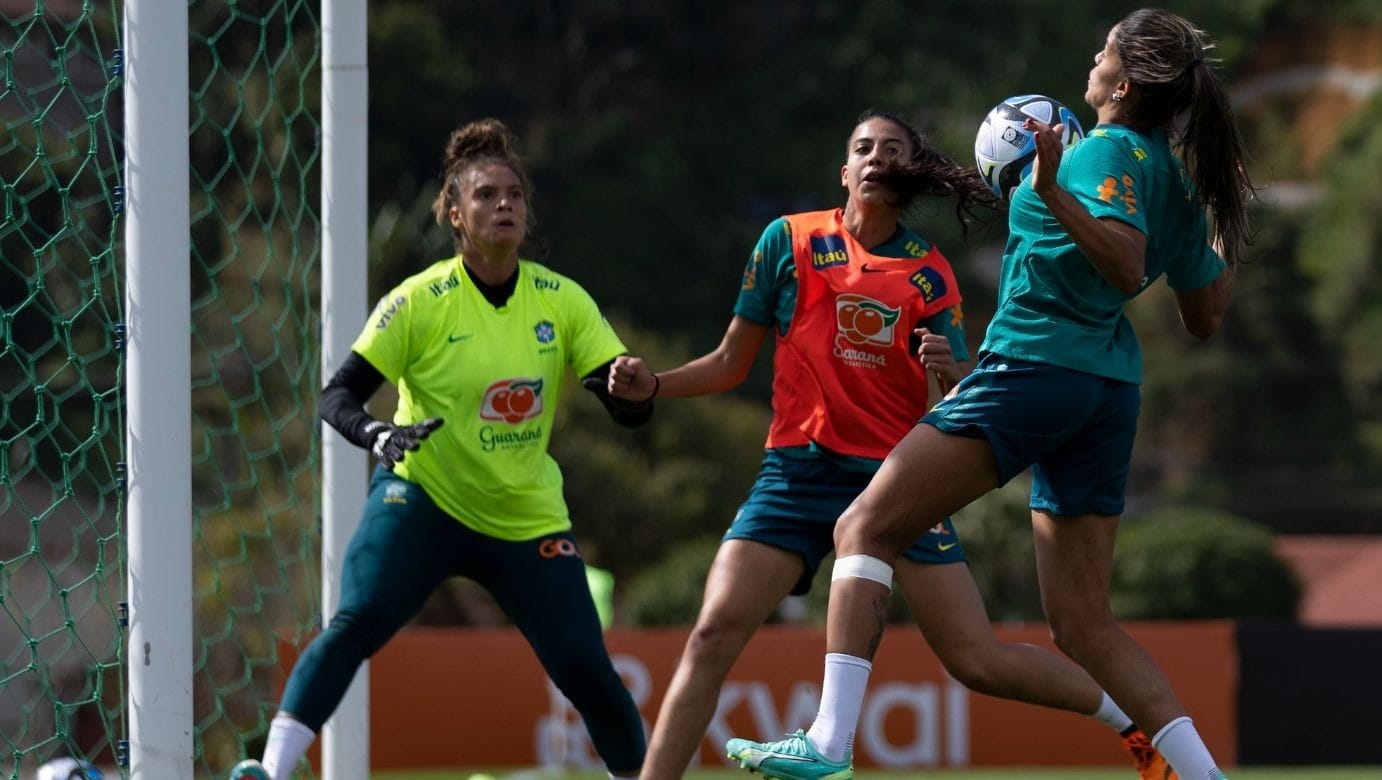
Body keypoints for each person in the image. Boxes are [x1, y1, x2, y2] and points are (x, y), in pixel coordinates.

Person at [726, 9, 1252, 780]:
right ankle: (1205, 778)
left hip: (1036, 370)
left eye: (1105, 51)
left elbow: (1122, 259)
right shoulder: (1169, 175)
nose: (1093, 58)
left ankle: (830, 743)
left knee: (864, 525)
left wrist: (1052, 190)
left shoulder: (1102, 150)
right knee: (1083, 626)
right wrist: (1230, 225)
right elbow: (1204, 316)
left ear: (1125, 82)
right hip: (1107, 392)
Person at [609, 110, 1175, 780]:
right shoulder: (785, 240)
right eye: (862, 147)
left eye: (893, 149)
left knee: (978, 662)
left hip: (892, 485)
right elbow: (732, 362)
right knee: (709, 636)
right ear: (843, 170)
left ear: (906, 173)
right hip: (793, 476)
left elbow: (967, 403)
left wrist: (946, 369)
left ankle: (1129, 725)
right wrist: (652, 387)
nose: (876, 156)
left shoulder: (931, 276)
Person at [230, 118, 650, 780]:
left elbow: (626, 403)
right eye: (486, 195)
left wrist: (633, 389)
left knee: (583, 665)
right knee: (358, 620)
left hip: (523, 515)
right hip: (422, 497)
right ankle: (270, 769)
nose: (504, 204)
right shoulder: (419, 302)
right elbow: (336, 396)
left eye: (514, 194)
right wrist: (378, 435)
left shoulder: (561, 299)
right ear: (455, 215)